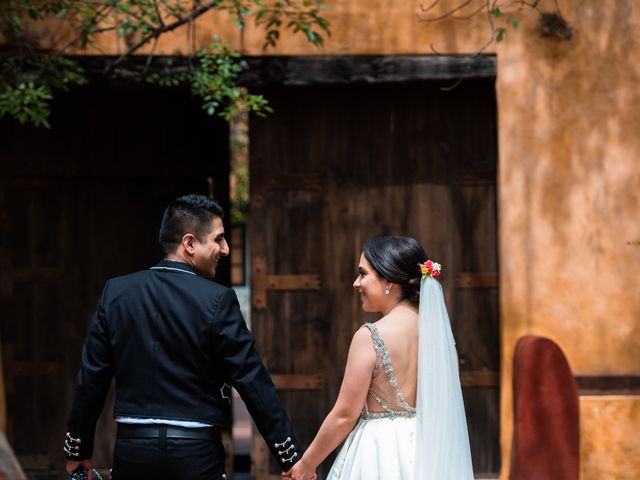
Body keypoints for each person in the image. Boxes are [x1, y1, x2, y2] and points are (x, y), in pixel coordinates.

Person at [64, 194, 310, 480]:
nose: (226, 249)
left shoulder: (116, 294)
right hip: (196, 455)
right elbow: (252, 380)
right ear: (189, 243)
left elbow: (91, 380)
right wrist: (289, 456)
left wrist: (77, 450)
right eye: (218, 239)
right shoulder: (218, 300)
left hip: (134, 452)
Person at [286, 236, 474, 480]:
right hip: (430, 451)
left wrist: (307, 464)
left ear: (388, 281)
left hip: (378, 453)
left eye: (363, 274)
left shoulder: (370, 336)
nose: (356, 283)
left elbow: (344, 415)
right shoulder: (439, 335)